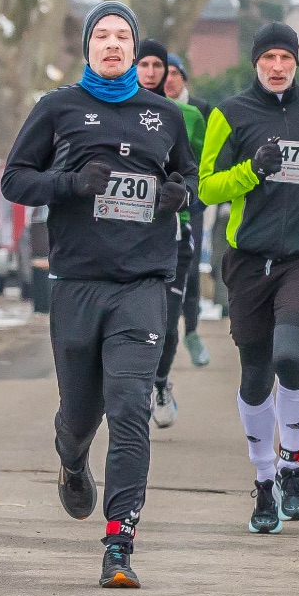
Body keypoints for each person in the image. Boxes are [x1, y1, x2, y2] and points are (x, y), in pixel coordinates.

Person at [2, 1, 197, 589]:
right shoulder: (58, 108)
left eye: (122, 37)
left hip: (143, 283)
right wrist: (70, 183)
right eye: (102, 36)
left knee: (131, 407)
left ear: (136, 51)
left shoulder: (164, 115)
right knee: (80, 415)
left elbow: (187, 177)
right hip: (77, 284)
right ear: (87, 47)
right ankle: (71, 459)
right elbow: (15, 179)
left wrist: (179, 195)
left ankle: (119, 541)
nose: (113, 44)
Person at [199, 21, 299, 534]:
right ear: (256, 63)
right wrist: (252, 170)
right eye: (268, 58)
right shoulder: (229, 113)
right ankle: (265, 480)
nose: (277, 66)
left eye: (285, 58)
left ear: (296, 62)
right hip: (248, 260)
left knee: (289, 355)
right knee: (255, 375)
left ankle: (292, 466)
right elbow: (206, 187)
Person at [133, 38, 205, 427]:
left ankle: (160, 383)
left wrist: (186, 197)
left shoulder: (186, 116)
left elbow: (200, 172)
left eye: (157, 66)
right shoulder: (117, 112)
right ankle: (134, 391)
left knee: (167, 323)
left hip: (175, 230)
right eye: (142, 65)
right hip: (128, 235)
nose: (150, 72)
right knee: (133, 321)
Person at [163, 53, 212, 367]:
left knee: (190, 268)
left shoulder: (200, 110)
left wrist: (199, 196)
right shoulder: (149, 107)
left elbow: (209, 157)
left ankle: (192, 332)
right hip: (157, 202)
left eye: (174, 73)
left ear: (184, 77)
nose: (168, 79)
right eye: (163, 72)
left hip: (190, 201)